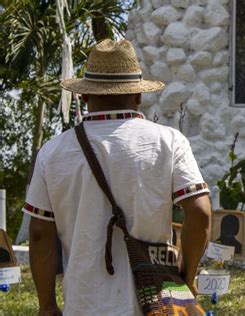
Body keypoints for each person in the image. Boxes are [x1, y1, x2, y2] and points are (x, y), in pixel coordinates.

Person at [23, 39, 211, 315]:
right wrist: (188, 275)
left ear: (85, 96)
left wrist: (47, 306)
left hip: (83, 303)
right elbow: (200, 212)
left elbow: (39, 234)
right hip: (155, 302)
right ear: (138, 96)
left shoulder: (53, 152)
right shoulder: (169, 142)